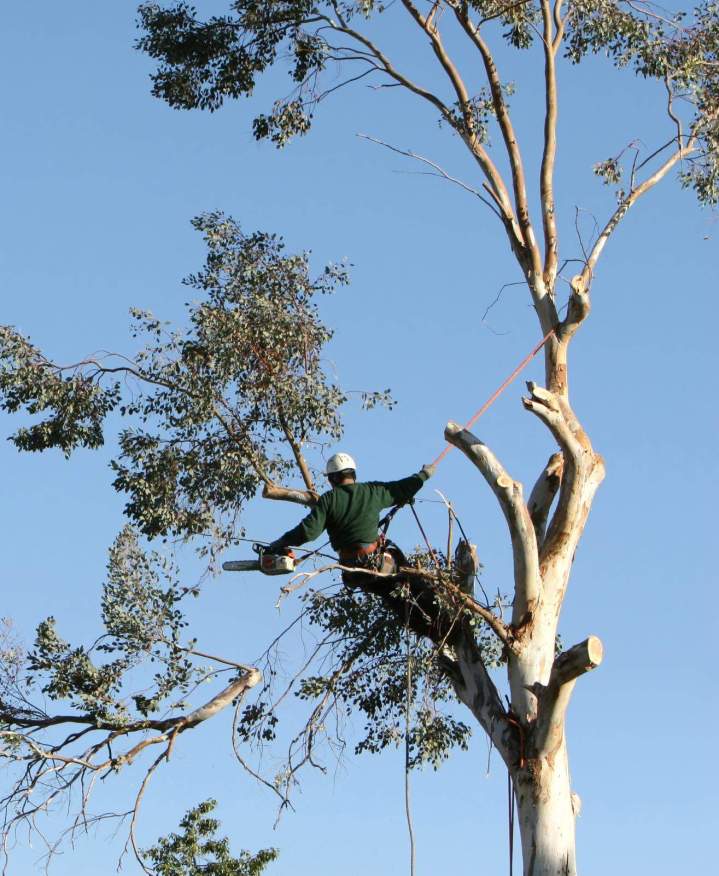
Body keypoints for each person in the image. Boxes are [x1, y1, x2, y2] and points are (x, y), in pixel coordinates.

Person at [267, 452, 435, 573]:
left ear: (332, 478)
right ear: (353, 474)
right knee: (405, 570)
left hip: (350, 571)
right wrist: (423, 475)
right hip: (377, 565)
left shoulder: (328, 499)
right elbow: (401, 488)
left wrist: (280, 542)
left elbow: (307, 532)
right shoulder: (372, 491)